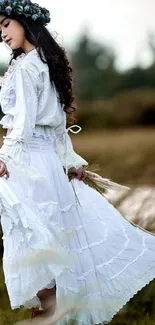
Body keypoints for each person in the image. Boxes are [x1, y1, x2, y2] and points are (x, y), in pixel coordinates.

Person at [0, 1, 155, 324]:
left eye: (5, 24)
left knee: (36, 250)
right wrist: (69, 160)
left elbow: (24, 124)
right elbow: (57, 128)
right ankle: (57, 317)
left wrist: (2, 157)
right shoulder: (45, 63)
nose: (2, 34)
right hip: (47, 167)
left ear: (26, 23)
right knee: (51, 249)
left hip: (26, 165)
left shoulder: (28, 68)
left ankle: (51, 316)